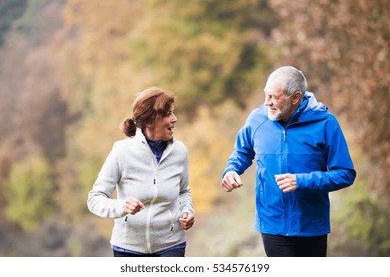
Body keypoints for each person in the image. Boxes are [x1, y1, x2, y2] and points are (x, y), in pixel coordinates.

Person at [221, 66, 356, 257]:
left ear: (295, 98)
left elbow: (345, 173)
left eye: (274, 97)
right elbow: (242, 152)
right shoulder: (256, 119)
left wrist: (302, 181)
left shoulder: (326, 123)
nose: (267, 103)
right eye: (265, 95)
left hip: (311, 226)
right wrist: (231, 170)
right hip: (272, 224)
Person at [87, 86, 195, 257]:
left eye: (173, 112)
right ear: (150, 120)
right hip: (128, 248)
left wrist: (187, 211)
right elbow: (95, 199)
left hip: (171, 245)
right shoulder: (121, 151)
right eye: (168, 114)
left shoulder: (180, 151)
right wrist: (121, 206)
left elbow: (183, 191)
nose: (175, 119)